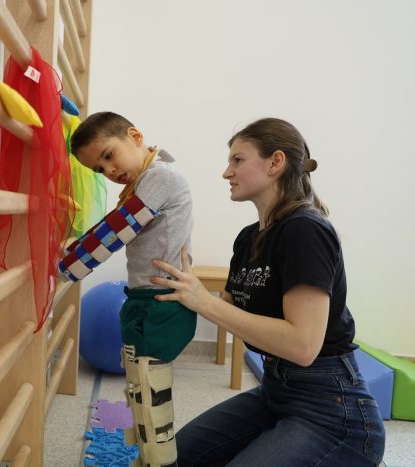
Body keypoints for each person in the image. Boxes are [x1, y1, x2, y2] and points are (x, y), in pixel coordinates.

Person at [151, 117, 386, 466]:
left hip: (333, 412)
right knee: (174, 458)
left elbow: (302, 346)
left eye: (238, 160)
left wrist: (205, 303)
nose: (226, 172)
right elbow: (230, 310)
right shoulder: (249, 238)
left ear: (275, 162)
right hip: (276, 393)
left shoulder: (305, 230)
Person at [59, 111, 196, 467]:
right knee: (139, 387)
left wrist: (63, 267)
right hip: (144, 298)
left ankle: (159, 460)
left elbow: (116, 230)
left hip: (161, 302)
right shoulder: (145, 181)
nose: (109, 170)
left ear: (135, 136)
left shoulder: (161, 177)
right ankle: (148, 457)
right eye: (99, 169)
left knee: (150, 396)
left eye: (108, 156)